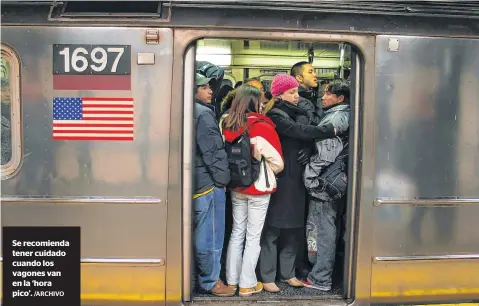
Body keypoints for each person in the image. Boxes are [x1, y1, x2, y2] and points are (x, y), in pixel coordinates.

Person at [258, 74, 336, 293]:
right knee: (272, 230)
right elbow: (297, 132)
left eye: (296, 91)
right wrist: (328, 131)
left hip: (296, 178)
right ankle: (267, 275)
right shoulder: (275, 114)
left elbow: (304, 136)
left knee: (293, 229)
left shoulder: (300, 113)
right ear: (279, 94)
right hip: (280, 178)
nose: (296, 95)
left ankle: (288, 273)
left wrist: (308, 148)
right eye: (291, 92)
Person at [221, 84, 284, 297]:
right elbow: (278, 162)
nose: (263, 103)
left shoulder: (227, 123)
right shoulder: (262, 126)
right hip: (257, 187)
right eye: (261, 100)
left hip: (236, 186)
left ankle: (231, 282)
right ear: (254, 102)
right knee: (253, 236)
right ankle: (247, 283)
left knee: (236, 233)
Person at [302, 79, 351, 291]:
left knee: (322, 229)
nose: (322, 97)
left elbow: (324, 154)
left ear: (339, 98)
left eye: (327, 94)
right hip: (338, 181)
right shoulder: (348, 113)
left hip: (324, 182)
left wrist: (309, 177)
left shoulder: (335, 117)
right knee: (331, 227)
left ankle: (320, 278)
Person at [193, 73, 235, 297]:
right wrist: (222, 180)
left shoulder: (187, 109)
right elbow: (214, 152)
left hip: (194, 182)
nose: (210, 91)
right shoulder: (203, 114)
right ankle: (210, 281)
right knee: (210, 235)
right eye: (203, 87)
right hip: (208, 184)